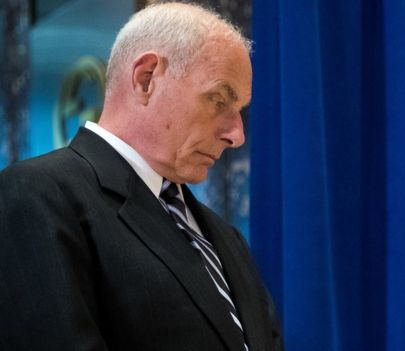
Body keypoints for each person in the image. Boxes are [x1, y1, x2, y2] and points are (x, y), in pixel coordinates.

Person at [0, 3, 282, 350]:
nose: (236, 134)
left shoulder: (227, 239)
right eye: (219, 100)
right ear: (146, 78)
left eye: (239, 110)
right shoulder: (35, 196)